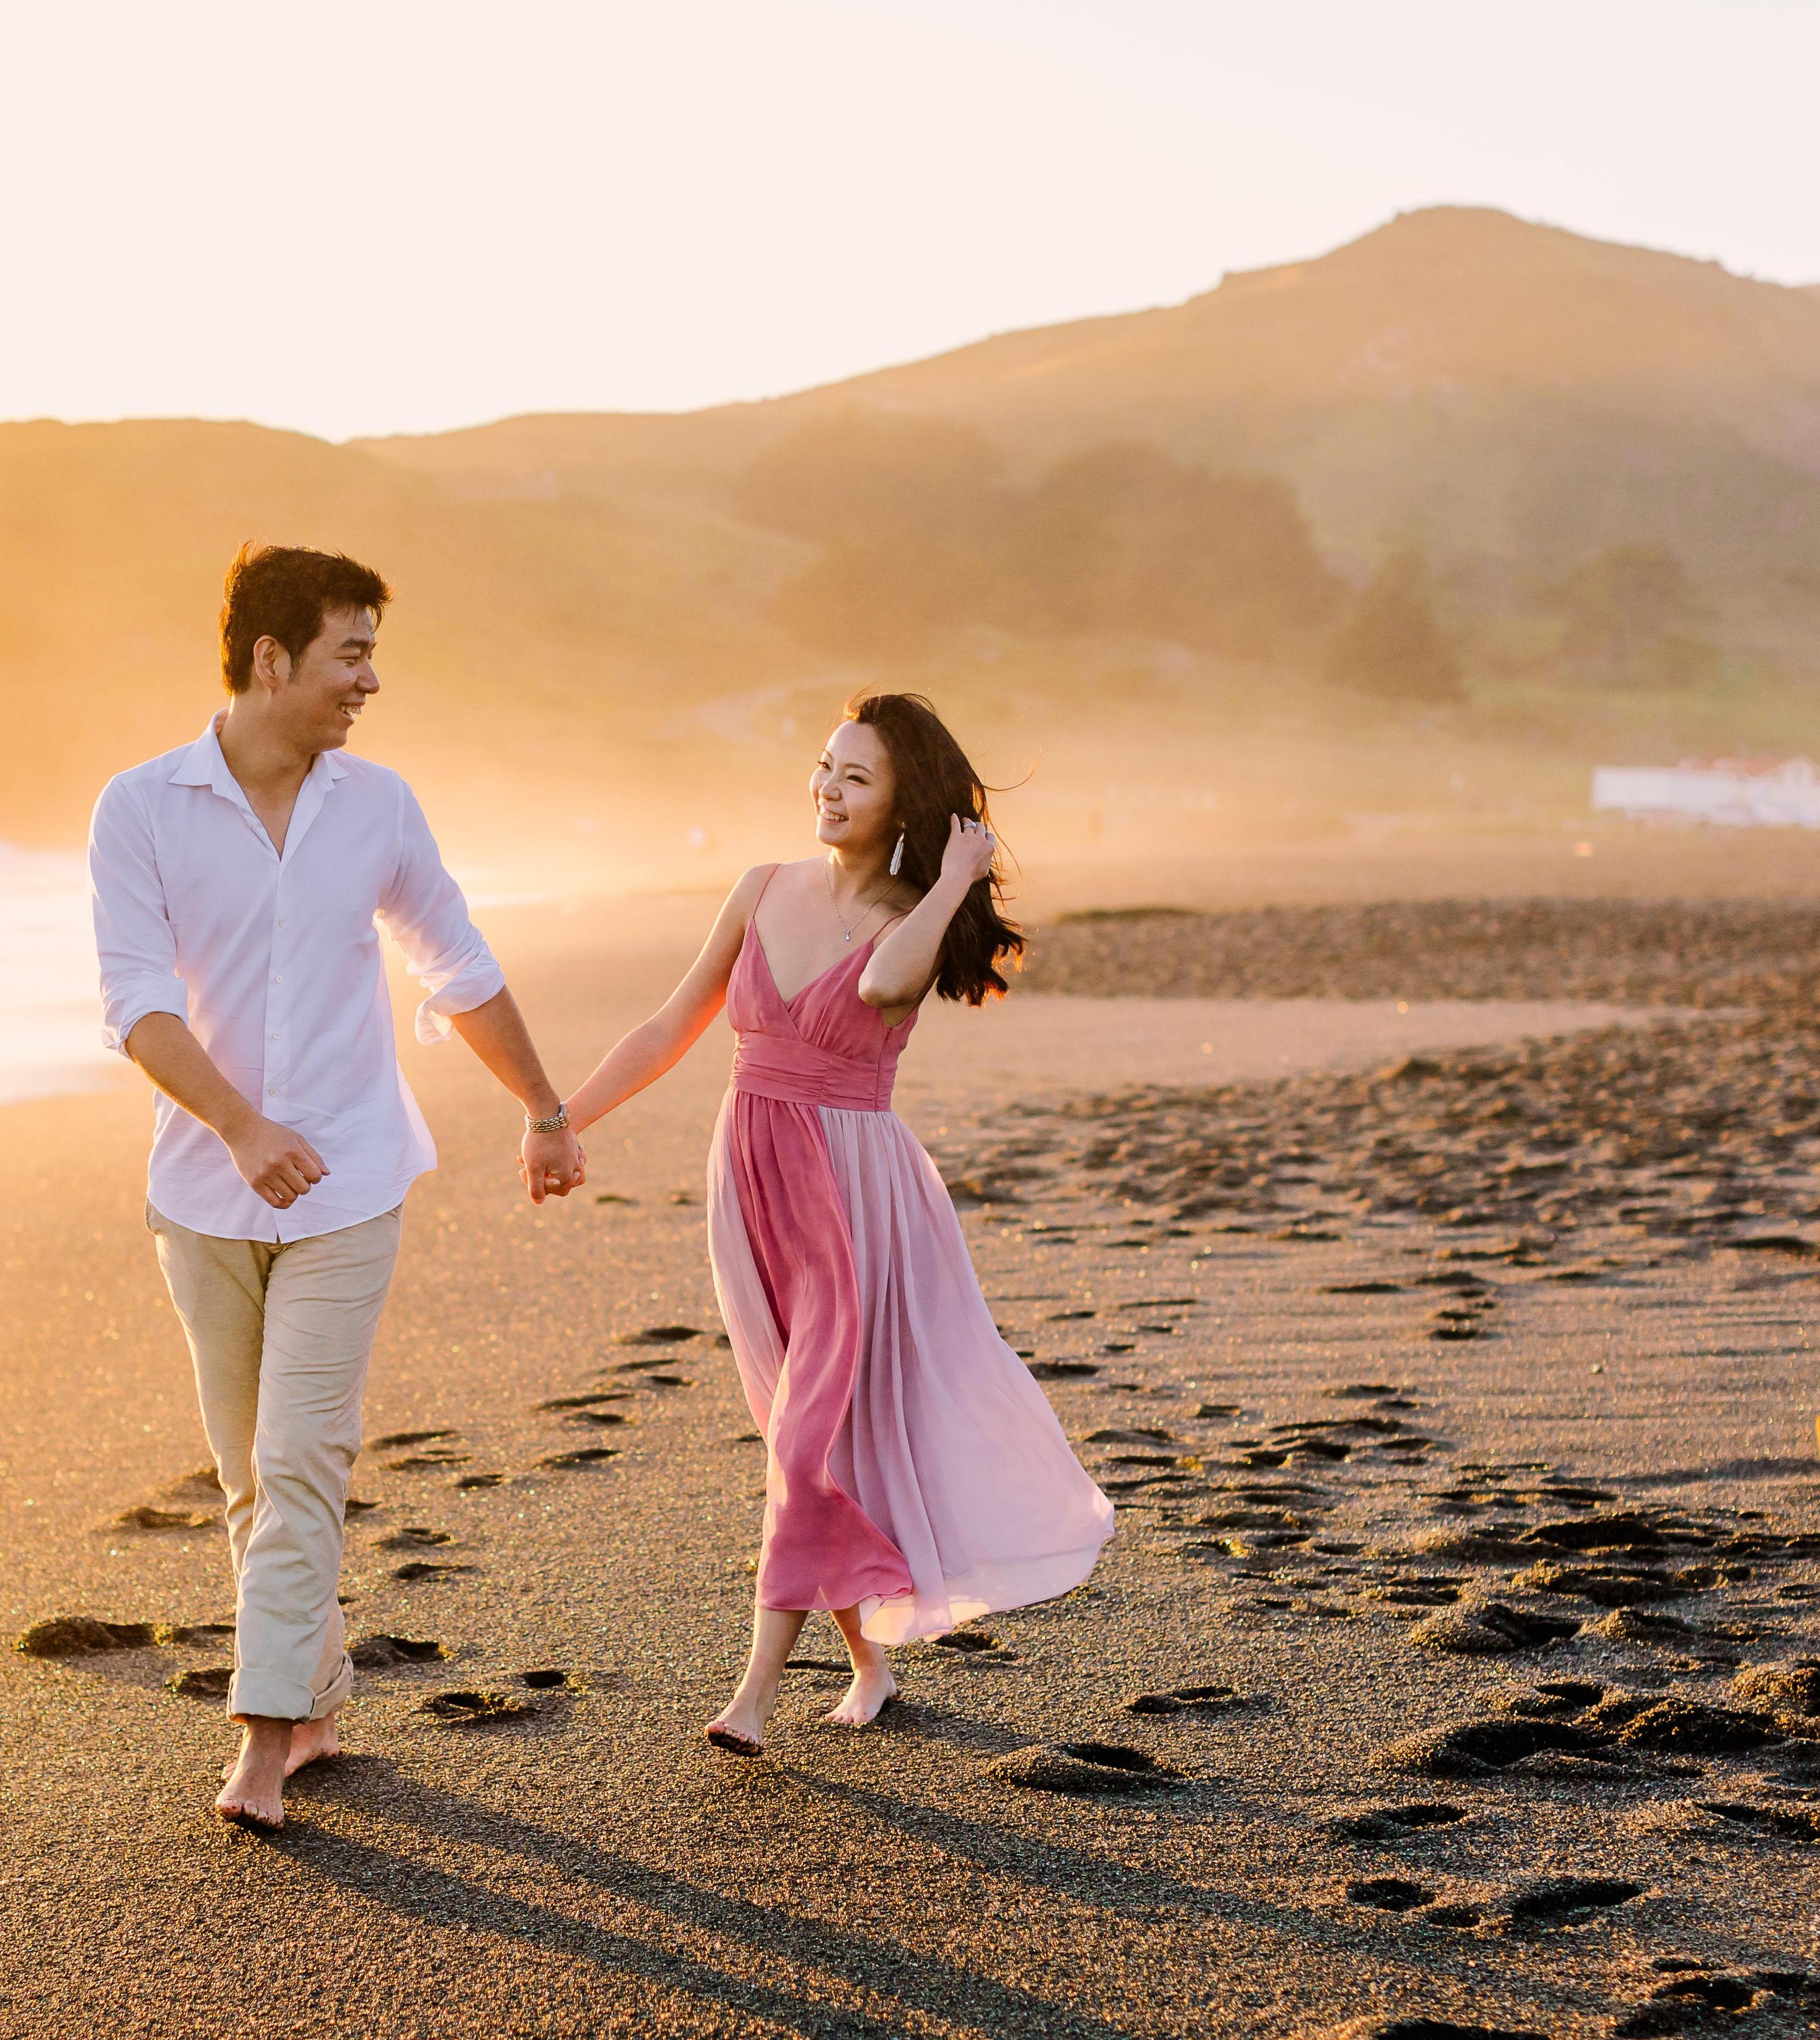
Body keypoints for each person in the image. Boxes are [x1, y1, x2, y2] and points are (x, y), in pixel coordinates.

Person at [90, 543, 585, 1830]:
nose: (369, 679)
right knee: (250, 1476)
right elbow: (135, 1004)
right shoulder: (139, 808)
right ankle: (310, 1692)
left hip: (352, 1180)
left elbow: (458, 964)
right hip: (203, 1191)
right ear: (270, 660)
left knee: (303, 1456)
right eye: (349, 653)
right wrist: (242, 1126)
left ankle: (260, 1748)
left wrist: (542, 1106)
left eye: (371, 652)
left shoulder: (378, 805)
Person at [563, 691, 1113, 1754]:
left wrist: (952, 879)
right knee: (801, 1431)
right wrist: (563, 1118)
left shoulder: (912, 915)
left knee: (809, 1435)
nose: (826, 787)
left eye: (856, 777)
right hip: (750, 1178)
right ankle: (871, 1662)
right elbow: (674, 1023)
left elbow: (883, 983)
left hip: (852, 1195)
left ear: (903, 799)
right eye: (823, 766)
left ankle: (753, 1698)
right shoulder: (759, 886)